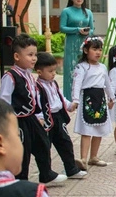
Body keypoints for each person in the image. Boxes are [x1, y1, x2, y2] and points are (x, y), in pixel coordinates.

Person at [0, 34, 67, 186]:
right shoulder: (10, 77)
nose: (34, 58)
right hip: (18, 119)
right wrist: (9, 123)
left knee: (42, 143)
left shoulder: (29, 75)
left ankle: (46, 174)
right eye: (30, 55)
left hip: (32, 118)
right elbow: (4, 100)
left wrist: (39, 114)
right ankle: (21, 179)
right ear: (17, 56)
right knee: (23, 149)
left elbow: (35, 97)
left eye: (35, 54)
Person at [35, 51, 86, 180]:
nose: (53, 74)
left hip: (58, 117)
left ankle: (71, 169)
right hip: (46, 118)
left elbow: (60, 97)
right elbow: (37, 103)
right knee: (45, 147)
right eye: (50, 71)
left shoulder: (54, 84)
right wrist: (40, 117)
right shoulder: (37, 87)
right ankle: (47, 173)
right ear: (39, 72)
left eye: (54, 70)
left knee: (65, 143)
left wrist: (69, 105)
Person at [71, 37, 115, 167]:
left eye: (100, 50)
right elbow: (77, 84)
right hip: (88, 100)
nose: (98, 53)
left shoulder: (102, 67)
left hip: (100, 99)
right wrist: (75, 100)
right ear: (86, 50)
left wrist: (112, 98)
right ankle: (83, 159)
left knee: (99, 127)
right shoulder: (82, 67)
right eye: (94, 49)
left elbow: (107, 84)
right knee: (87, 130)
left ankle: (94, 156)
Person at [58, 0, 94, 97]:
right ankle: (69, 97)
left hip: (84, 44)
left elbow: (92, 29)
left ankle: (84, 95)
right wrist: (77, 30)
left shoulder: (88, 12)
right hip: (71, 44)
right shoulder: (66, 11)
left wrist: (87, 32)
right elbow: (62, 28)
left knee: (85, 68)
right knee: (71, 70)